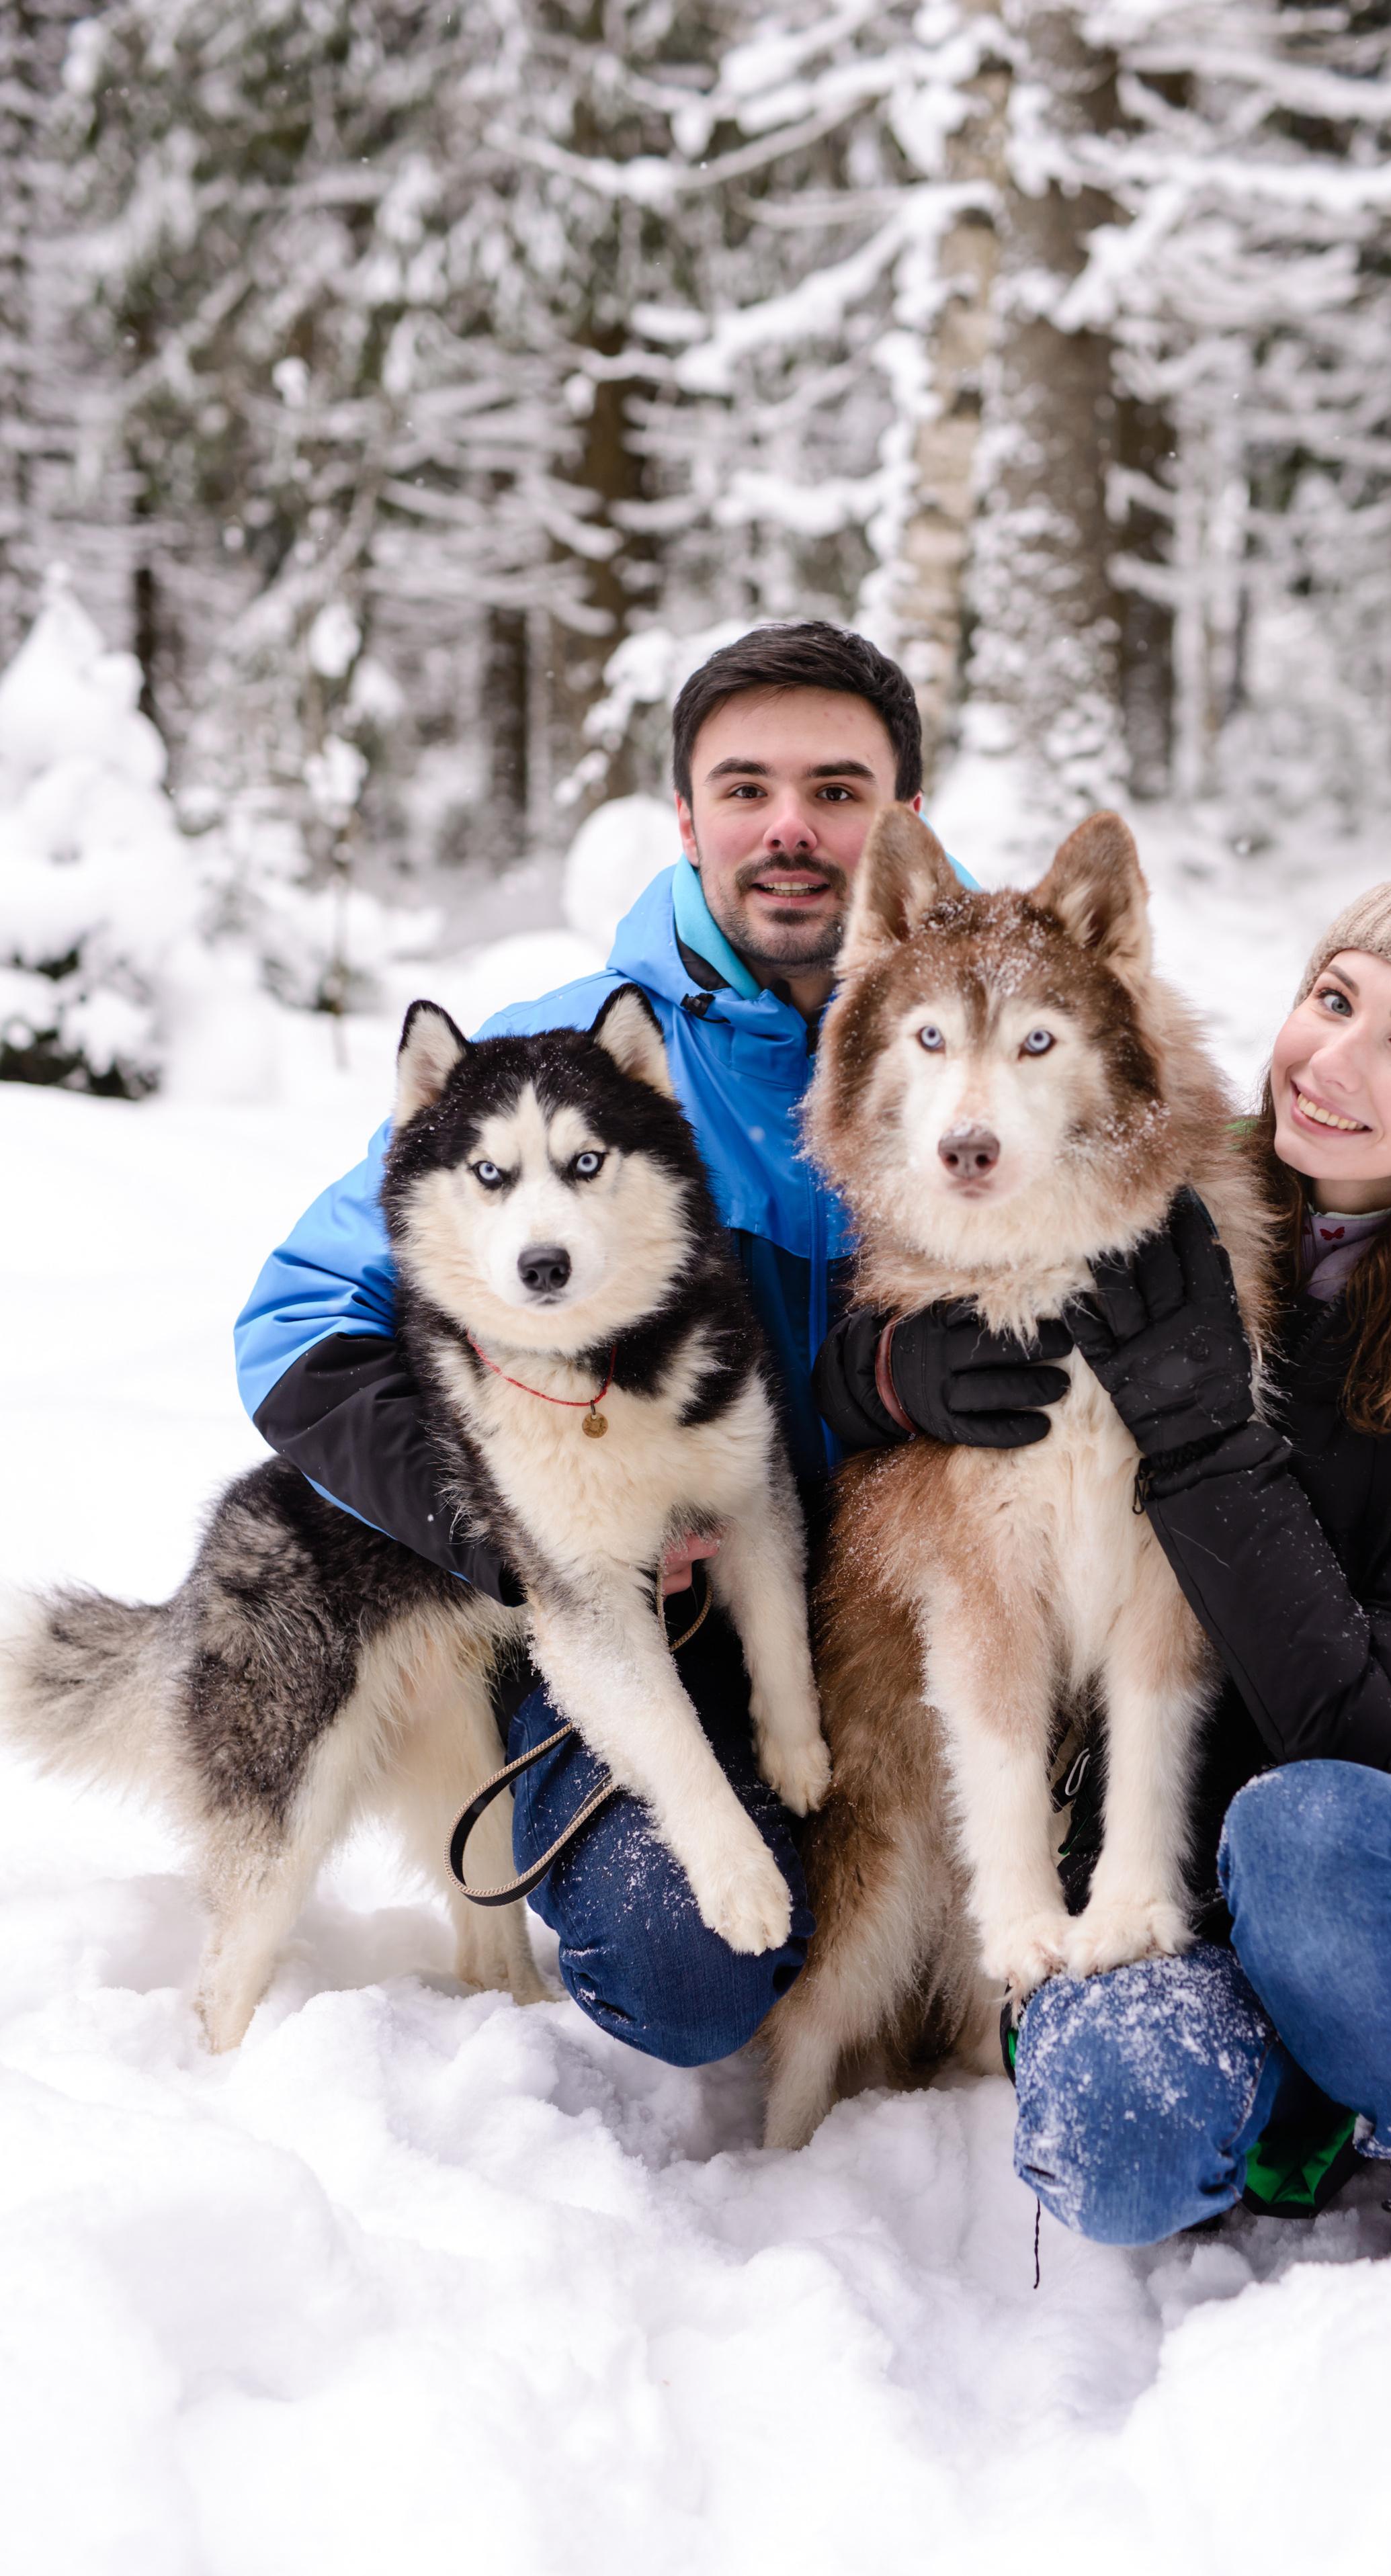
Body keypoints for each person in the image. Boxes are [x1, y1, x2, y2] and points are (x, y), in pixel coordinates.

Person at [818, 823, 1391, 2251]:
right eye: (1331, 1001)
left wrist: (1205, 1439)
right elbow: (928, 1265)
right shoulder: (1171, 1187)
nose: (1334, 1064)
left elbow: (1371, 1723)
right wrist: (891, 1376)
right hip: (1187, 1873)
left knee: (1307, 1827)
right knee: (1114, 2145)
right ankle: (1270, 2106)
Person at [235, 620, 954, 2067]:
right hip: (642, 1617)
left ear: (904, 817)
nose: (791, 828)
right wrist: (505, 1538)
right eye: (745, 788)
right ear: (684, 819)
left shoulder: (1003, 1044)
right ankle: (557, 1784)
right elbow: (298, 1322)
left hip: (922, 1619)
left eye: (837, 788)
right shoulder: (557, 1066)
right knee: (685, 1966)